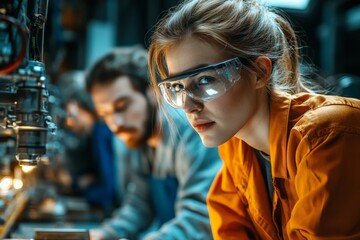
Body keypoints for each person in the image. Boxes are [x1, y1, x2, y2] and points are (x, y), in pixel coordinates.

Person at [148, 0, 360, 239]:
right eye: (176, 87)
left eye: (206, 80)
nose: (187, 105)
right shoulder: (236, 150)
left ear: (260, 72)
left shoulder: (329, 135)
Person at [85, 45, 222, 239]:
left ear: (152, 92)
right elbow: (139, 206)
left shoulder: (191, 131)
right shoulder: (140, 140)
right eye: (105, 114)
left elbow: (200, 219)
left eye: (122, 107)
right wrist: (103, 234)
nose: (116, 124)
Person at [64, 90, 118, 216]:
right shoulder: (92, 137)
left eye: (73, 115)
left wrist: (84, 190)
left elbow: (108, 191)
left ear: (87, 111)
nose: (69, 122)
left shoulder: (101, 134)